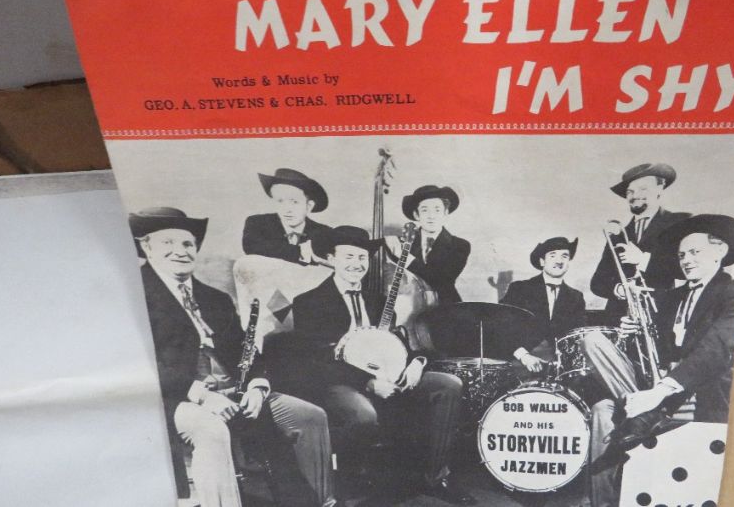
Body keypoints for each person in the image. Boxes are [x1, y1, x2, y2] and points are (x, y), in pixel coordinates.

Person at [130, 207, 336, 507]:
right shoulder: (133, 294)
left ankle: (318, 502)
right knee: (212, 430)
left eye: (187, 244)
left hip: (233, 392)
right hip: (174, 397)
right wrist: (202, 395)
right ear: (147, 247)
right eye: (168, 243)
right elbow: (139, 365)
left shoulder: (215, 298)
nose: (181, 251)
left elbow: (246, 351)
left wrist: (257, 386)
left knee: (310, 417)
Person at [292, 225, 475, 506]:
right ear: (331, 258)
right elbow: (317, 360)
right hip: (341, 381)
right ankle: (355, 485)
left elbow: (400, 344)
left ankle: (436, 476)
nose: (356, 264)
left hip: (389, 374)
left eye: (362, 257)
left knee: (448, 385)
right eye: (348, 256)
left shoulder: (377, 300)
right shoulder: (309, 302)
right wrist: (369, 382)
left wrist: (417, 364)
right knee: (363, 414)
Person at [584, 214, 734, 507]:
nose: (686, 260)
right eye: (682, 255)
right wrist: (630, 334)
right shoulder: (671, 297)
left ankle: (648, 413)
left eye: (695, 252)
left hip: (695, 393)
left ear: (720, 252)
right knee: (594, 349)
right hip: (652, 390)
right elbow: (651, 351)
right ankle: (606, 503)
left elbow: (714, 350)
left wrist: (660, 392)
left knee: (612, 410)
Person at [590, 163, 690, 324]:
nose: (635, 195)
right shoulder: (617, 235)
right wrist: (620, 290)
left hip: (659, 316)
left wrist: (643, 260)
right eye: (630, 191)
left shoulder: (679, 222)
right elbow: (597, 283)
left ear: (660, 188)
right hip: (618, 319)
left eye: (643, 189)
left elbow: (684, 270)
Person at [503, 237, 587, 375]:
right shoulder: (519, 289)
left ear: (568, 262)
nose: (559, 261)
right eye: (553, 255)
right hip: (521, 363)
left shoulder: (576, 297)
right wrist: (524, 356)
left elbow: (578, 336)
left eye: (564, 256)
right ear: (542, 261)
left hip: (561, 368)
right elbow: (502, 327)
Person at [385, 185, 470, 305]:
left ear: (446, 213)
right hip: (410, 308)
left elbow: (442, 280)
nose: (431, 216)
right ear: (416, 215)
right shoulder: (401, 242)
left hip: (446, 308)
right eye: (425, 210)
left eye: (437, 210)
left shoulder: (460, 245)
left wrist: (404, 256)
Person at [242, 168, 333, 265]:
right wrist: (301, 252)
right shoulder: (258, 223)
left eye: (294, 202)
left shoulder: (324, 233)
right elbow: (251, 246)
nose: (287, 209)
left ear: (309, 206)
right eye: (280, 201)